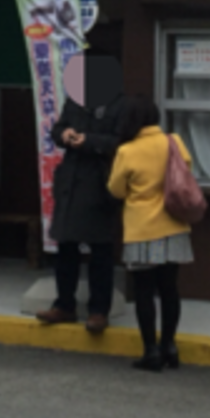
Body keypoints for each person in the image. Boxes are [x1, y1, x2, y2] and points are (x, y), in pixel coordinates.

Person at [107, 95, 195, 372]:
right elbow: (186, 170)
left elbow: (115, 189)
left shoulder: (127, 152)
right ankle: (170, 345)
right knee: (170, 289)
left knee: (144, 291)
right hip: (174, 226)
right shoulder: (174, 141)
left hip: (142, 230)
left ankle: (151, 351)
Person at [37, 71, 126, 334]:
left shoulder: (120, 104)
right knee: (66, 247)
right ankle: (64, 305)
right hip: (70, 183)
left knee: (100, 250)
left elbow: (121, 141)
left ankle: (99, 310)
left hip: (100, 184)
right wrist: (63, 135)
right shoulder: (74, 101)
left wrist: (90, 141)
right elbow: (56, 128)